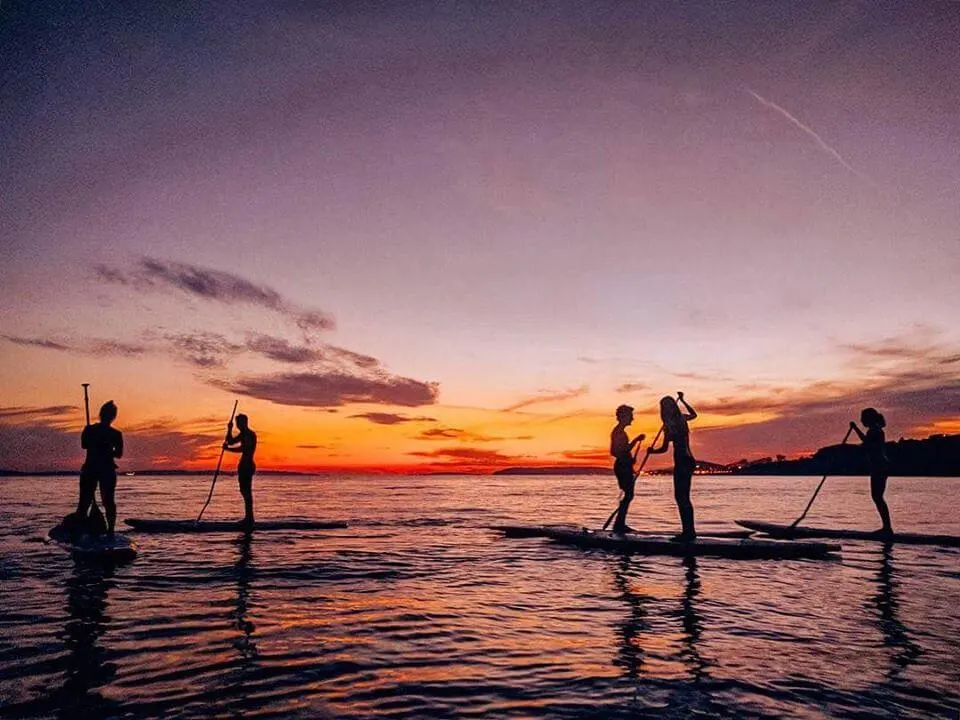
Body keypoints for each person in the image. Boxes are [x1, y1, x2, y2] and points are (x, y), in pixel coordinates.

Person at [647, 392, 698, 541]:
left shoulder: (670, 425)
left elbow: (663, 449)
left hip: (683, 460)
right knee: (683, 497)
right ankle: (689, 531)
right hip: (687, 460)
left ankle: (688, 533)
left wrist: (652, 451)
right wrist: (683, 400)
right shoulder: (681, 419)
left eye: (668, 406)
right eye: (665, 407)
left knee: (681, 497)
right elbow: (694, 415)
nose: (667, 409)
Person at [77, 401, 123, 536]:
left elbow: (84, 445)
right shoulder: (114, 434)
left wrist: (99, 444)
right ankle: (110, 531)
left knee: (90, 501)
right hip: (98, 469)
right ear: (113, 417)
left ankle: (109, 531)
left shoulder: (90, 430)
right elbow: (118, 454)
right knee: (101, 501)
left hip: (97, 469)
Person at [849, 408, 893, 536]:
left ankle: (887, 528)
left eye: (863, 419)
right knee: (877, 497)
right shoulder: (876, 429)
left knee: (877, 497)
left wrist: (855, 428)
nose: (862, 421)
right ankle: (887, 528)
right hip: (880, 466)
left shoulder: (874, 430)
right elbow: (867, 444)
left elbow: (866, 443)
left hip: (880, 466)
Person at [609, 405, 646, 533]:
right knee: (628, 495)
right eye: (630, 416)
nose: (632, 419)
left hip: (625, 465)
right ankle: (619, 525)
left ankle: (620, 523)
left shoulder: (620, 431)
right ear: (624, 417)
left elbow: (621, 450)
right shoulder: (618, 432)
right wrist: (635, 441)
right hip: (622, 467)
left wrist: (629, 459)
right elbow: (615, 451)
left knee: (628, 495)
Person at [224, 414, 257, 526]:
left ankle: (249, 519)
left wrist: (229, 450)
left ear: (244, 422)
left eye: (239, 423)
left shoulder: (249, 435)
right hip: (243, 465)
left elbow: (243, 448)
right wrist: (229, 429)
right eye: (237, 423)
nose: (238, 425)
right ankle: (248, 517)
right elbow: (230, 441)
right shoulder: (243, 434)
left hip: (247, 465)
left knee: (247, 492)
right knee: (243, 491)